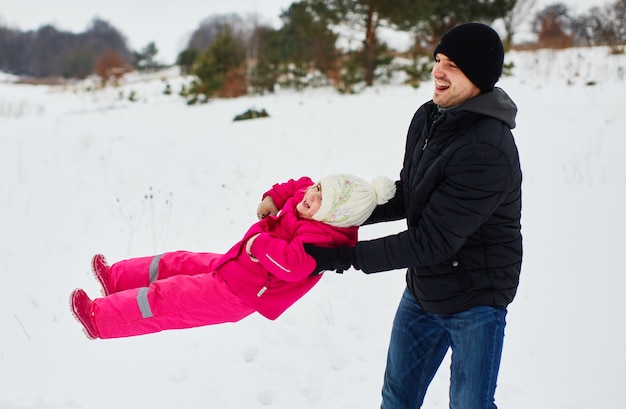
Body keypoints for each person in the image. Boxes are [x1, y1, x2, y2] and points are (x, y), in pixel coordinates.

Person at [304, 23, 522, 409]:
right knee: (397, 400)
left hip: (477, 299)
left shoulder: (487, 148)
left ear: (478, 76)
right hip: (426, 288)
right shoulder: (429, 117)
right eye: (438, 60)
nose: (438, 71)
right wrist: (335, 212)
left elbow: (433, 240)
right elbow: (412, 193)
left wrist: (344, 258)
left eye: (452, 64)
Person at [69, 174, 395, 340]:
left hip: (240, 293)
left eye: (323, 200)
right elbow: (298, 184)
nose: (313, 196)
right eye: (320, 188)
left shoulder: (320, 241)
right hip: (235, 264)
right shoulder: (308, 195)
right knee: (175, 262)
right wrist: (273, 198)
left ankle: (100, 319)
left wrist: (258, 245)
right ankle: (116, 279)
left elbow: (293, 266)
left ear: (335, 218)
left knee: (167, 299)